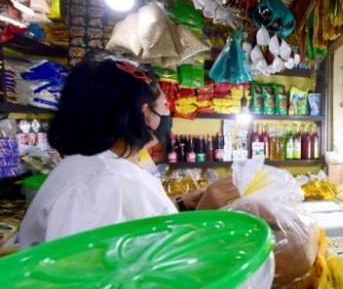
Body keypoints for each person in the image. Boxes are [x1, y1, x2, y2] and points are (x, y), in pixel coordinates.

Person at [19, 55, 240, 248]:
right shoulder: (105, 183)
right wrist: (205, 215)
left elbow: (134, 233)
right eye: (165, 106)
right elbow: (106, 274)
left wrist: (182, 206)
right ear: (145, 114)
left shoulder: (95, 166)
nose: (169, 114)